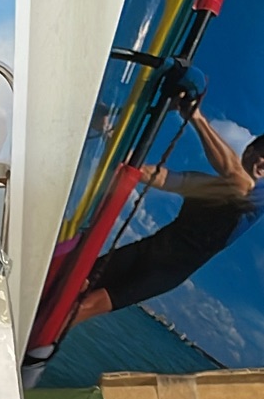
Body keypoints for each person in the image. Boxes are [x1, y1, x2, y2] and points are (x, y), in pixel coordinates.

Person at [72, 106, 264, 324]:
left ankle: (41, 342)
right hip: (149, 248)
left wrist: (195, 117)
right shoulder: (206, 185)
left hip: (166, 271)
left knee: (84, 307)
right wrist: (107, 131)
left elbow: (237, 177)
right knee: (75, 282)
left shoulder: (258, 199)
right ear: (249, 151)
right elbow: (154, 175)